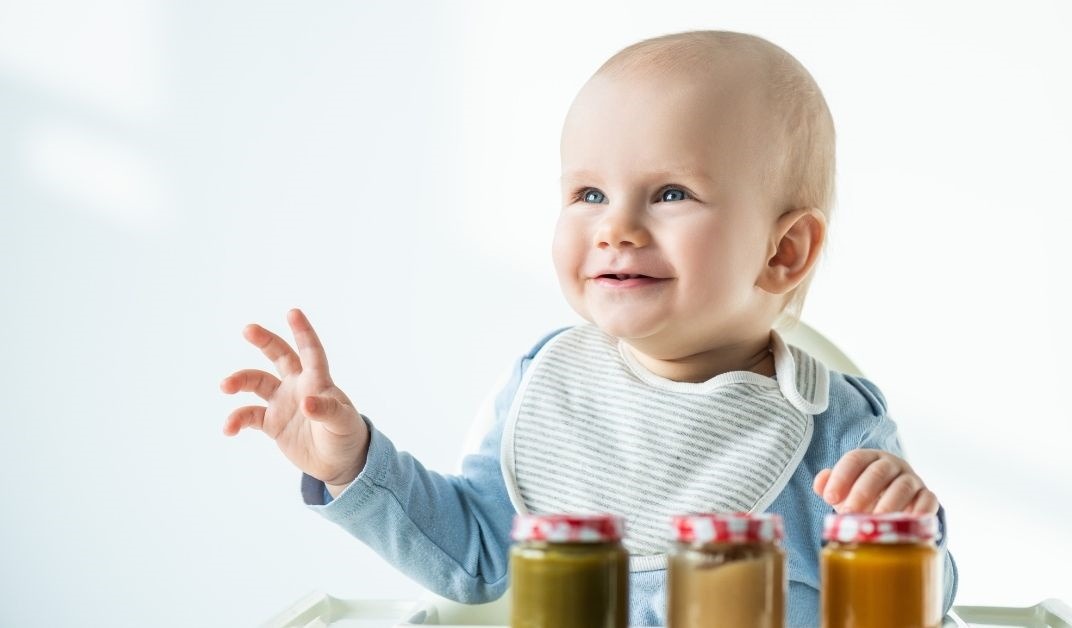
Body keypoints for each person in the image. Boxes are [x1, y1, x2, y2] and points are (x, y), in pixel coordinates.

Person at [221, 30, 958, 626]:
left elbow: (918, 609)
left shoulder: (834, 428)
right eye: (589, 192)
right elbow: (472, 557)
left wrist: (903, 534)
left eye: (671, 193)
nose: (615, 227)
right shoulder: (550, 386)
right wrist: (350, 464)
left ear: (782, 250)